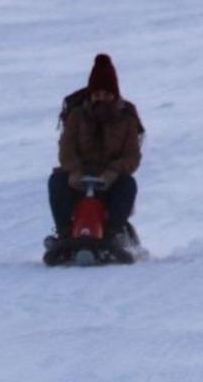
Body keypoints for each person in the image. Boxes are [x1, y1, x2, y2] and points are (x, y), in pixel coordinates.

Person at [49, 53, 143, 245]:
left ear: (114, 95)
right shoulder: (76, 116)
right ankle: (64, 234)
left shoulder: (127, 120)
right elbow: (66, 148)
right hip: (79, 177)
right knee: (57, 182)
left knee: (128, 185)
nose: (102, 99)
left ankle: (114, 234)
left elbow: (132, 155)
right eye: (98, 94)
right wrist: (74, 171)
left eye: (107, 95)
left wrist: (114, 171)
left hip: (110, 179)